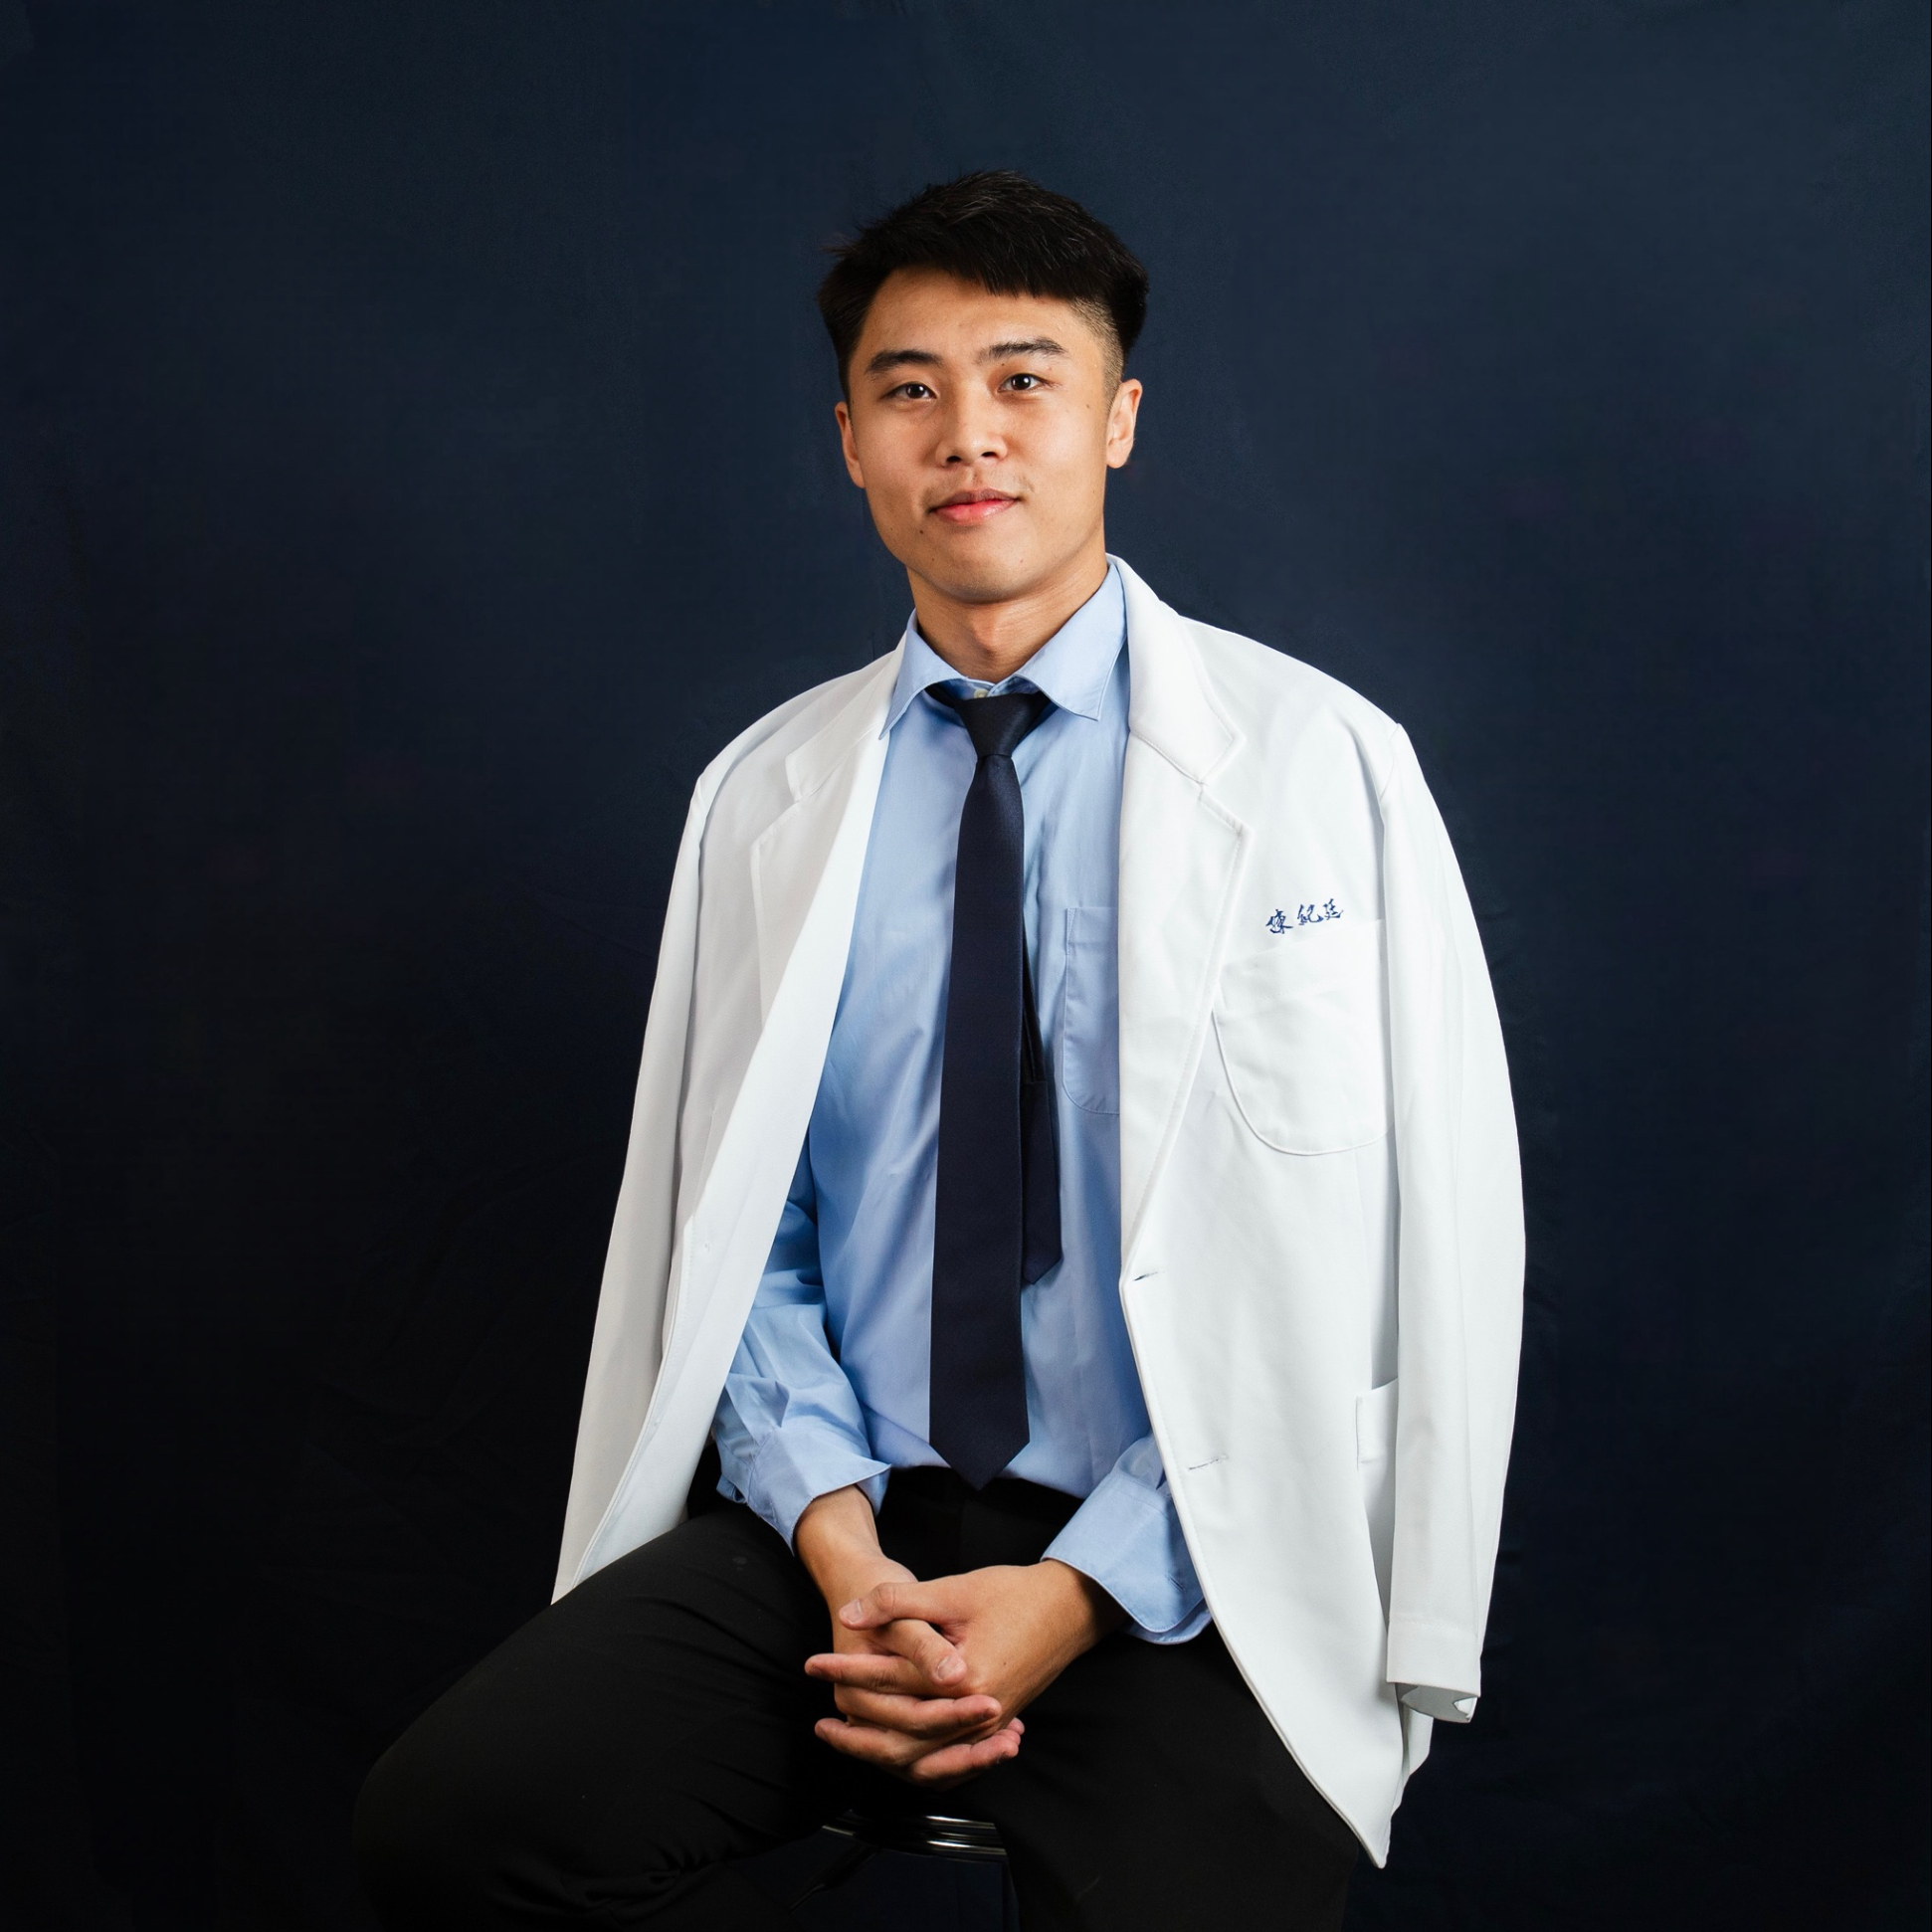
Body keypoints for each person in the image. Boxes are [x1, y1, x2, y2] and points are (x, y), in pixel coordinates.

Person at [353, 169, 1523, 1932]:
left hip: (1196, 1551)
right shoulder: (765, 790)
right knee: (453, 1824)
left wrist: (1080, 1584)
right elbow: (738, 1233)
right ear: (850, 442)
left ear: (1117, 419)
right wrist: (840, 1545)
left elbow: (1416, 1243)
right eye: (909, 389)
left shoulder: (1322, 764)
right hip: (850, 1529)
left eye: (1023, 379)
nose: (966, 433)